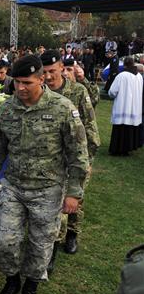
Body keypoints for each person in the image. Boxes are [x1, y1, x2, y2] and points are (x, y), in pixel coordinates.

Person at [0, 55, 89, 294]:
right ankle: (12, 281)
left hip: (48, 188)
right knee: (6, 240)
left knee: (41, 244)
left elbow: (78, 153)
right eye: (17, 82)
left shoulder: (63, 109)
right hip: (14, 186)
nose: (20, 88)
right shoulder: (7, 109)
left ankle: (31, 286)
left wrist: (74, 193)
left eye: (27, 82)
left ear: (42, 79)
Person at [41, 50, 100, 256]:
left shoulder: (78, 91)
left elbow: (90, 129)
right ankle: (51, 243)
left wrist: (87, 161)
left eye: (52, 71)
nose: (48, 77)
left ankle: (73, 234)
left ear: (61, 68)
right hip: (49, 158)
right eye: (44, 72)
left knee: (74, 199)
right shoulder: (39, 92)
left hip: (74, 157)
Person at [108, 57, 143, 156]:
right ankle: (129, 147)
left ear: (124, 65)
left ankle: (117, 149)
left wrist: (112, 95)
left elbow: (112, 91)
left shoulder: (122, 75)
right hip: (134, 108)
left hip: (123, 106)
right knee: (130, 129)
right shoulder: (139, 76)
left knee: (120, 129)